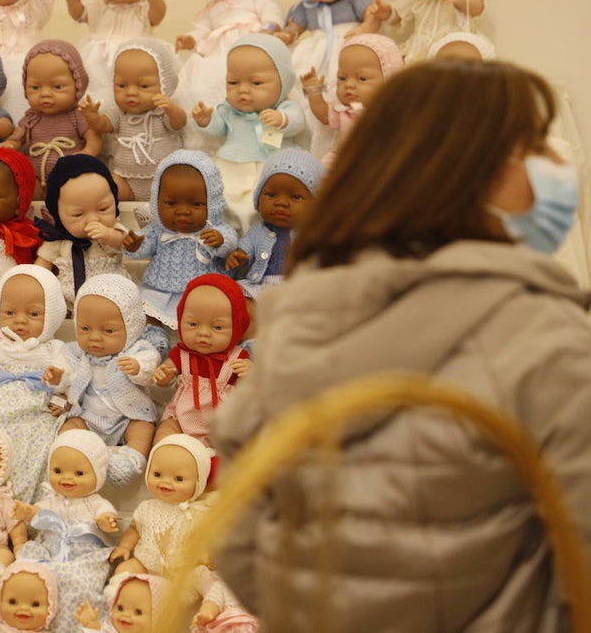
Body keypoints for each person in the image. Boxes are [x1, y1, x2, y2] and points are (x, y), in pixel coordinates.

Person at [211, 60, 591, 632]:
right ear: (468, 172)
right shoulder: (542, 336)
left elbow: (238, 536)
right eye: (533, 149)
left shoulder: (302, 314)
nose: (557, 167)